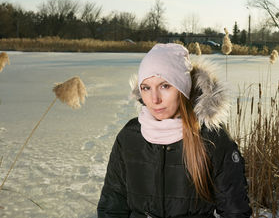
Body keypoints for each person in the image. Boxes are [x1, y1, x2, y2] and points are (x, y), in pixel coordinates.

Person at [97, 43, 252, 218]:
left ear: (182, 88)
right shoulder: (129, 137)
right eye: (146, 88)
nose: (154, 99)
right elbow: (112, 207)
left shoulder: (211, 138)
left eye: (165, 86)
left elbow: (235, 212)